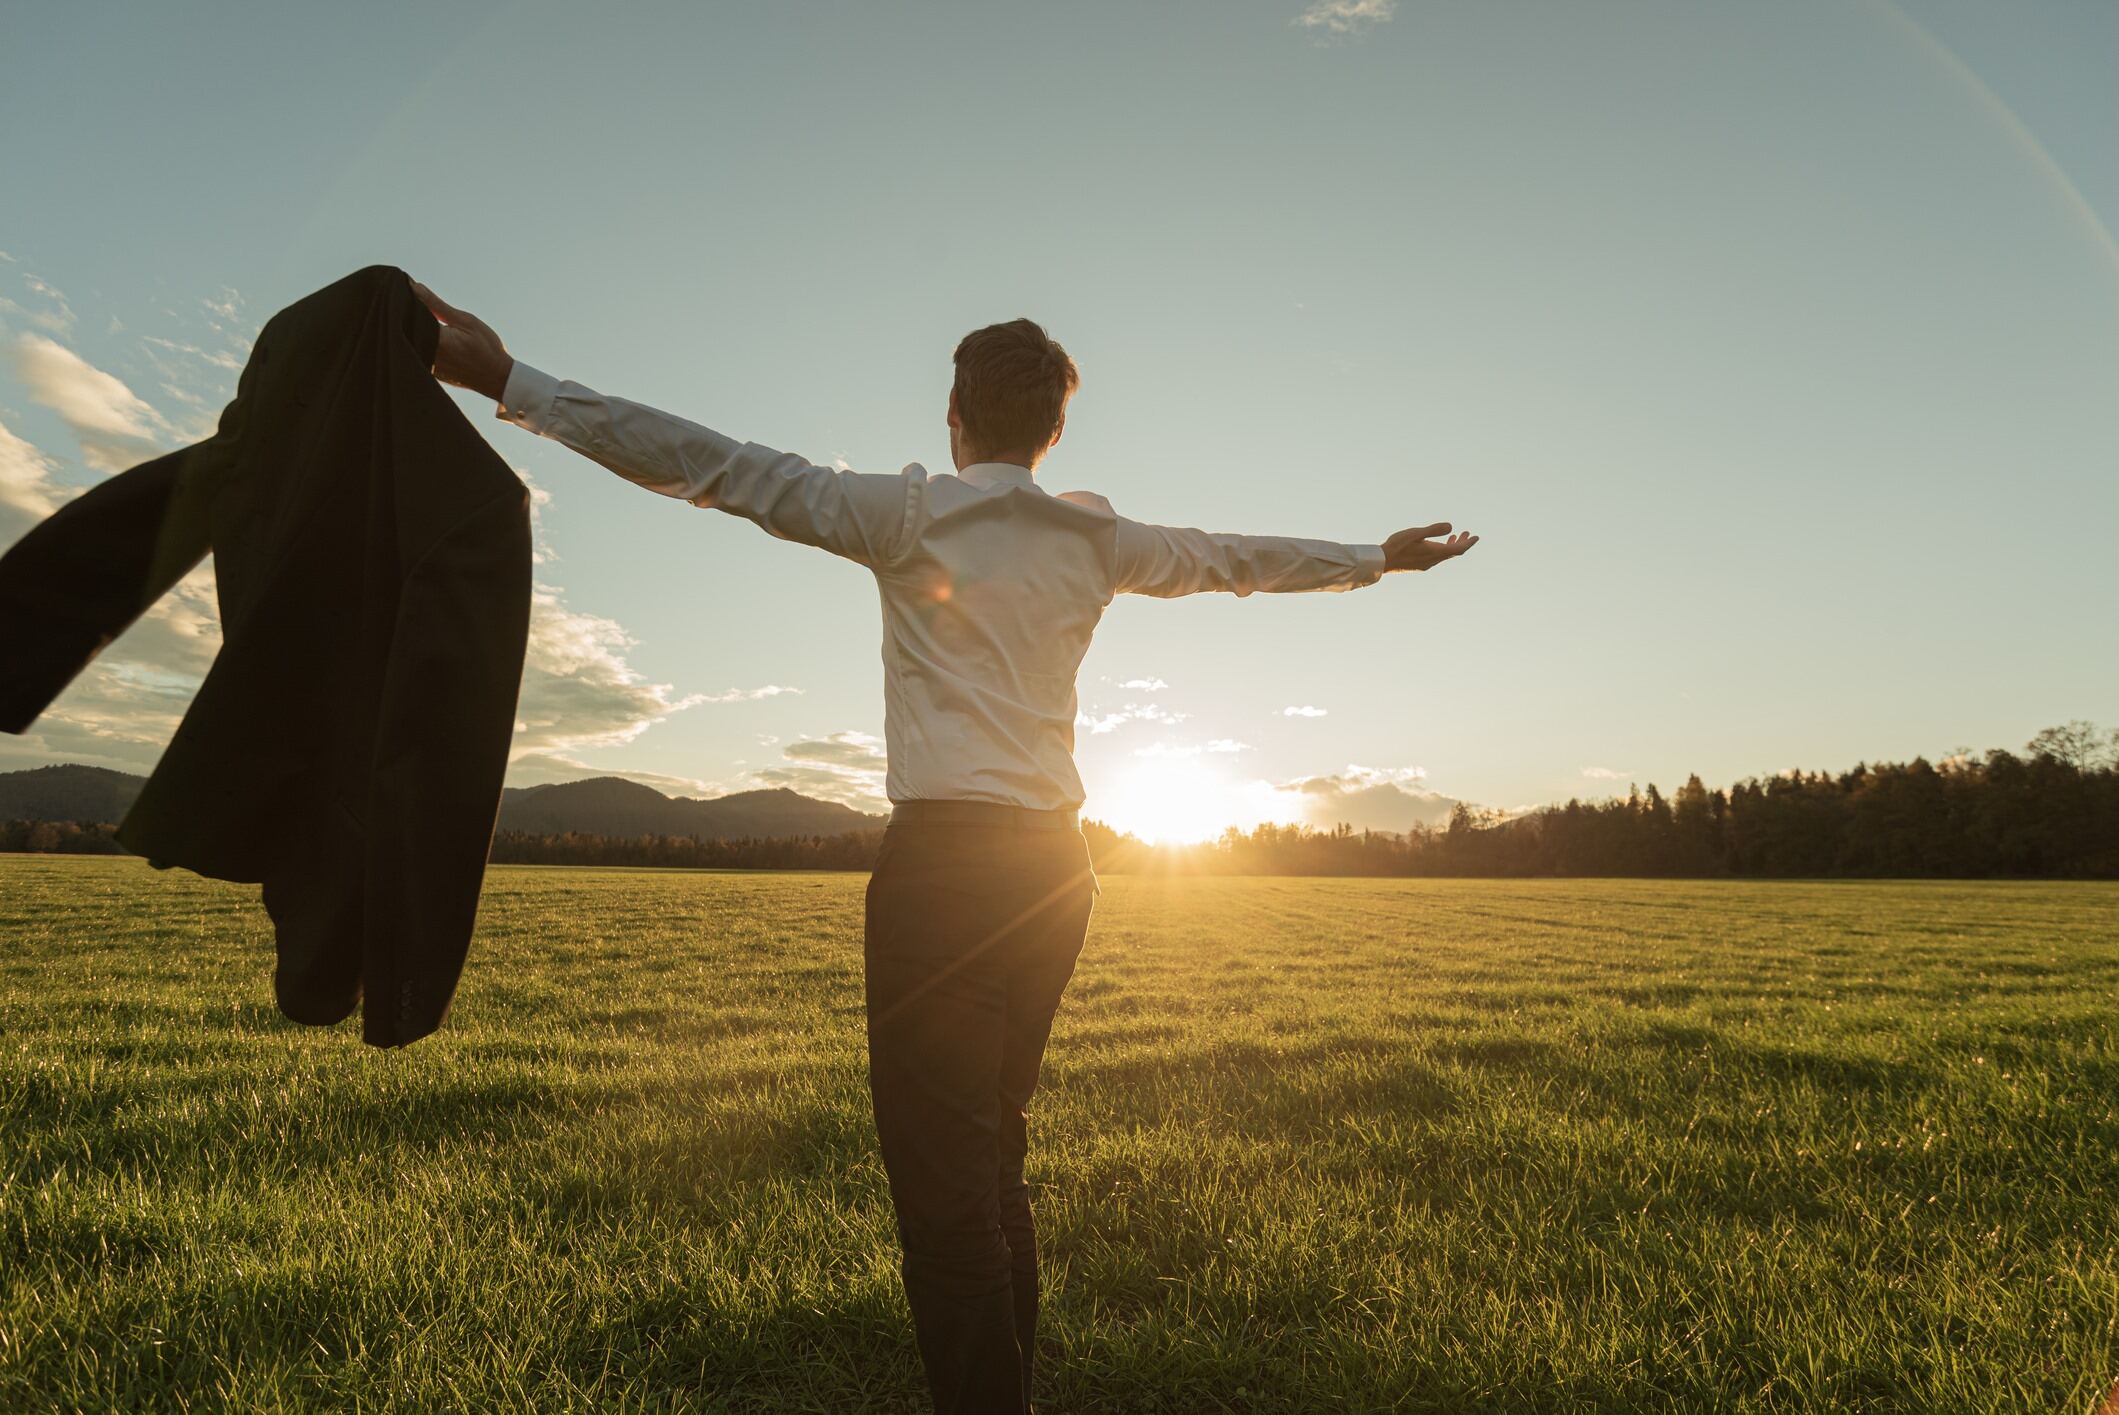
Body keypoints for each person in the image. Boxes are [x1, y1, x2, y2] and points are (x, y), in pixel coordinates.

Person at [414, 281, 1477, 1414]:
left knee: (945, 1195)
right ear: (1053, 429)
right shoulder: (1098, 538)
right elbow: (1232, 557)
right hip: (1058, 874)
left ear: (954, 418)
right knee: (992, 1157)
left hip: (945, 873)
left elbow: (707, 461)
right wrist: (1376, 554)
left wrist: (510, 381)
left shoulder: (906, 513)